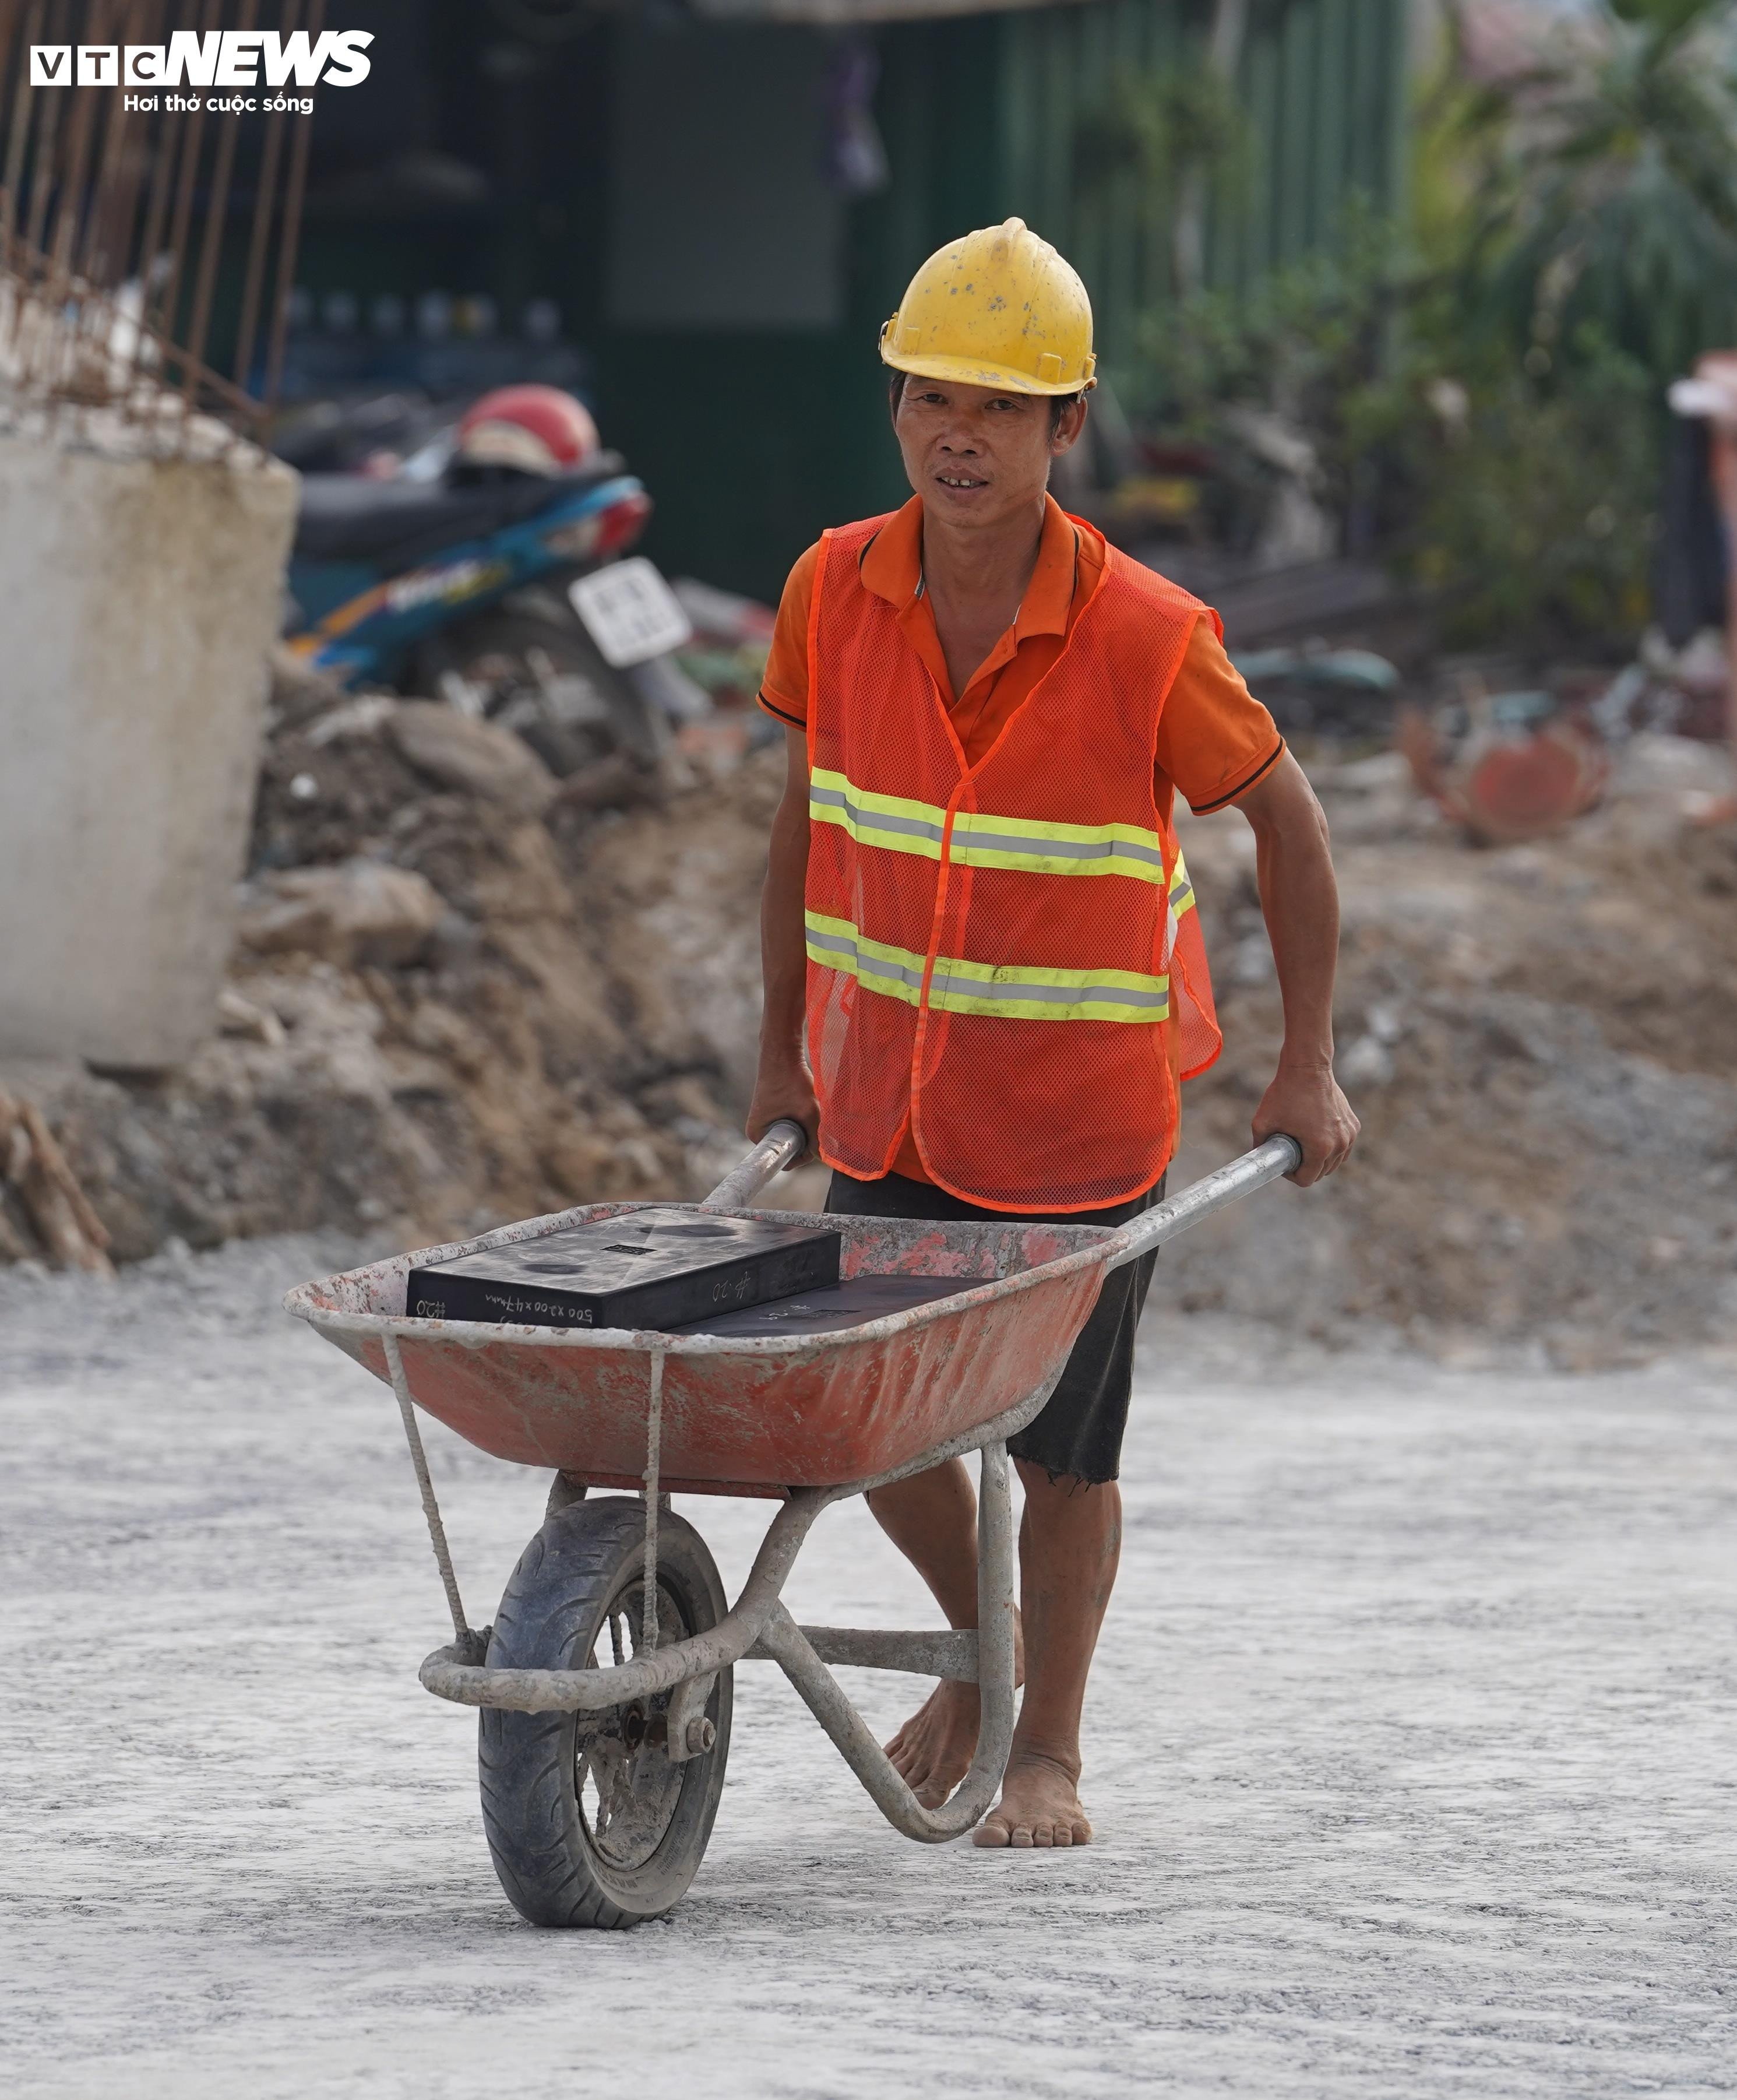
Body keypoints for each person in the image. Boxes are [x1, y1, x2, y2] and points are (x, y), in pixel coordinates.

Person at [748, 219, 1358, 1850]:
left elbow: (1289, 825)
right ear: (894, 405)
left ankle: (1048, 1753)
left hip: (1083, 1129)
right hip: (891, 1107)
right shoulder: (832, 587)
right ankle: (989, 1657)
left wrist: (1308, 1061)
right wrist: (781, 1058)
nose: (961, 433)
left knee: (1062, 1460)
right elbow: (806, 826)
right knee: (865, 1425)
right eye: (934, 396)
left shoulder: (1151, 632)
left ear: (1065, 429)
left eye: (1003, 408)